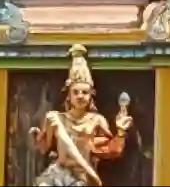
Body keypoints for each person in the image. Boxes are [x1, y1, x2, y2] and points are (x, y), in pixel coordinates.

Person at [30, 45, 130, 186]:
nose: (80, 96)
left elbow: (110, 151)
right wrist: (38, 136)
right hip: (58, 172)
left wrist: (120, 131)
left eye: (85, 92)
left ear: (91, 96)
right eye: (75, 92)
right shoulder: (57, 118)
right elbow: (44, 148)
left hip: (82, 176)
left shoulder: (97, 120)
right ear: (69, 96)